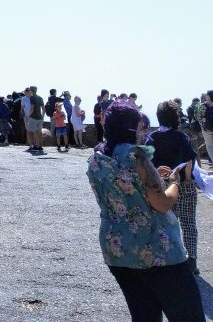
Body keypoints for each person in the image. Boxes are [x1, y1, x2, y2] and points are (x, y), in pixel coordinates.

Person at [86, 99, 203, 322]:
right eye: (140, 128)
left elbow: (124, 187)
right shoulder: (138, 156)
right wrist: (174, 182)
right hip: (157, 251)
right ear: (129, 129)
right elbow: (162, 203)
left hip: (118, 251)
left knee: (145, 317)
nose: (143, 133)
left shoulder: (96, 158)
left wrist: (153, 175)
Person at [145, 100, 199, 275]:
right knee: (188, 222)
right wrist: (189, 179)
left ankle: (170, 258)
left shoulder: (152, 138)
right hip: (182, 184)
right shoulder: (182, 137)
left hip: (162, 186)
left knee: (165, 223)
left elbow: (146, 163)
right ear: (175, 117)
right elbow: (189, 161)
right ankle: (191, 260)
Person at [29, 86, 45, 151]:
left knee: (35, 132)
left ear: (31, 90)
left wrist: (28, 116)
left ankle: (36, 145)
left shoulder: (32, 97)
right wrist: (42, 117)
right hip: (40, 118)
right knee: (40, 132)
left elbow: (32, 108)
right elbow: (44, 109)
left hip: (34, 117)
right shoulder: (40, 98)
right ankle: (40, 146)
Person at [202, 91, 213, 166]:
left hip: (207, 129)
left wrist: (203, 127)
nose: (205, 95)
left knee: (209, 147)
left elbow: (199, 117)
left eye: (207, 94)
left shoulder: (203, 105)